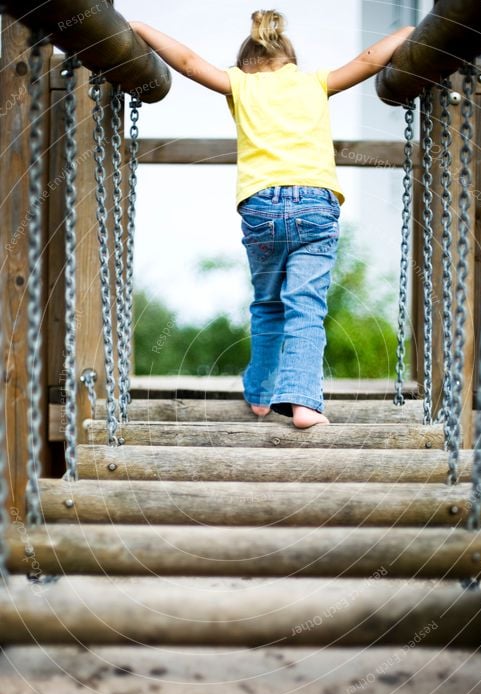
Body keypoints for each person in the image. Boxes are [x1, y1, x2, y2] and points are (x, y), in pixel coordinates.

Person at [130, 11, 415, 428]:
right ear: (291, 62)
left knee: (267, 304)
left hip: (260, 206)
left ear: (246, 64)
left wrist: (140, 29)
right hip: (315, 205)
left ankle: (261, 396)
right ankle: (303, 404)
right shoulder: (316, 82)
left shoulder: (241, 85)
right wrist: (408, 31)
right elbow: (371, 58)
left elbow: (189, 62)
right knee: (306, 307)